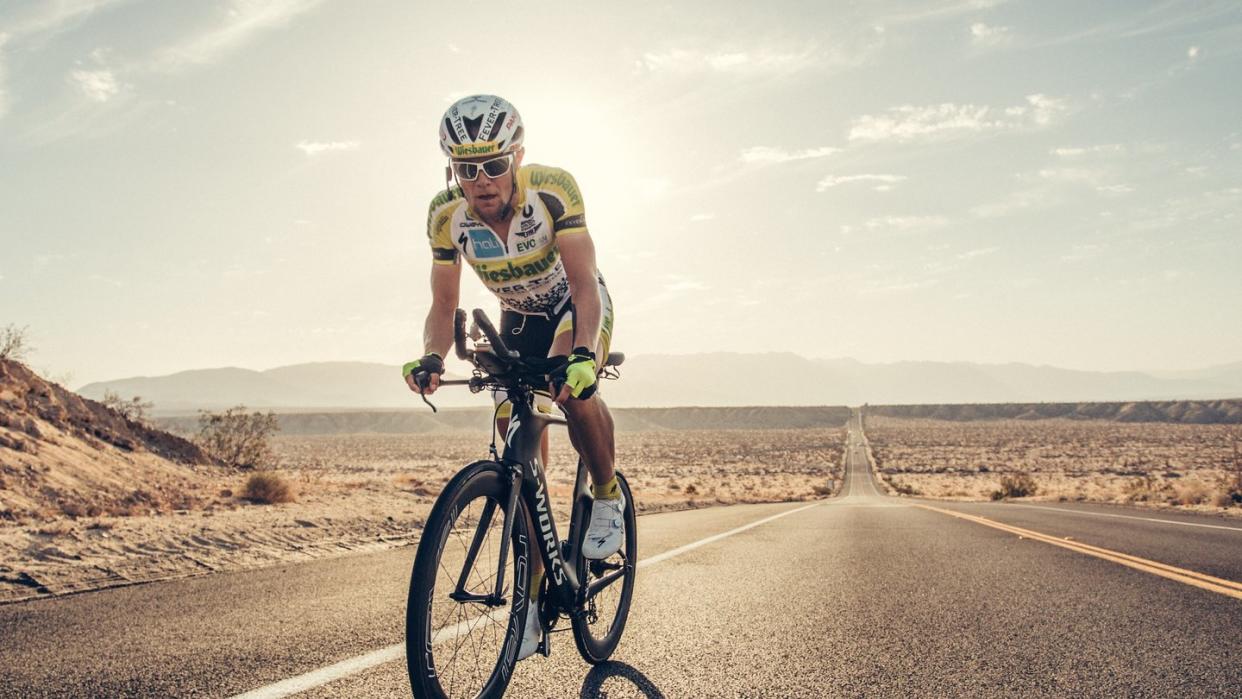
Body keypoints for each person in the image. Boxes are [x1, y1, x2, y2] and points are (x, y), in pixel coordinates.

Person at [402, 94, 623, 660]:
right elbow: (442, 302)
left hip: (574, 307)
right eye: (467, 168)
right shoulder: (444, 216)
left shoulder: (553, 191)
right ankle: (529, 595)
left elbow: (582, 281)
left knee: (571, 390)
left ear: (517, 157)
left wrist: (580, 353)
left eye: (495, 165)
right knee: (517, 449)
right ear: (452, 168)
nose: (481, 180)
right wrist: (431, 357)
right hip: (516, 321)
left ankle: (605, 496)